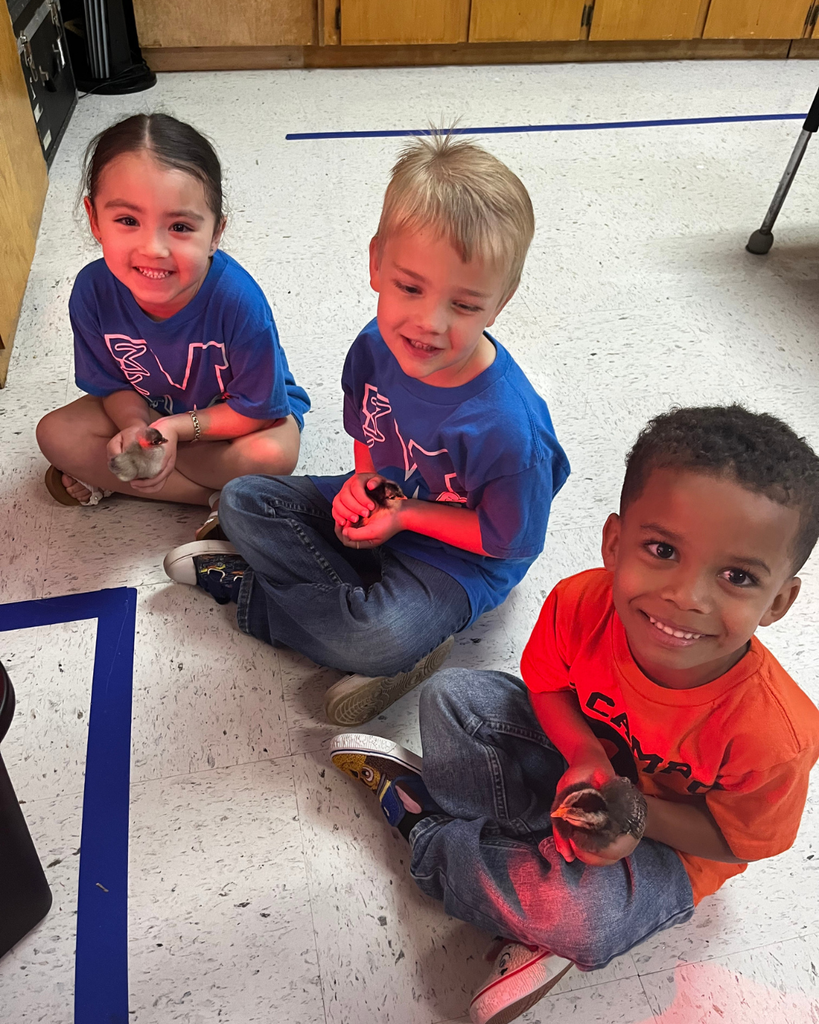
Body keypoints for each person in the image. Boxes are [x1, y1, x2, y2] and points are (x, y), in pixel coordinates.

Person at [330, 405, 819, 1024]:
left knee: (582, 922)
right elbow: (549, 690)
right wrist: (584, 756)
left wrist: (632, 821)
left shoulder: (776, 733)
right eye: (662, 549)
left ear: (779, 600)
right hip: (574, 764)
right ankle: (526, 868)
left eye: (737, 576)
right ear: (615, 542)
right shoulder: (581, 601)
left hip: (664, 848)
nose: (687, 596)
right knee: (452, 698)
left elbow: (737, 841)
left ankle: (428, 834)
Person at [163, 132, 570, 725]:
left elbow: (508, 542)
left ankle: (267, 599)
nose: (428, 323)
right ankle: (345, 596)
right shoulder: (374, 348)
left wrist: (403, 516)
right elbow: (369, 441)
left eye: (464, 305)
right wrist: (364, 482)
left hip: (458, 558)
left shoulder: (509, 429)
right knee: (242, 499)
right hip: (392, 501)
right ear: (376, 262)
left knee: (377, 638)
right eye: (410, 287)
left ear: (500, 302)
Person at [36, 113, 310, 539]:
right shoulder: (91, 291)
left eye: (180, 226)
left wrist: (172, 433)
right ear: (94, 220)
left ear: (216, 232)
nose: (154, 248)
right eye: (128, 221)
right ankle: (223, 498)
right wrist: (133, 428)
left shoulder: (238, 301)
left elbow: (256, 411)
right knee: (54, 434)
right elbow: (112, 384)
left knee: (275, 454)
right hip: (153, 415)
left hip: (230, 422)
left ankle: (132, 479)